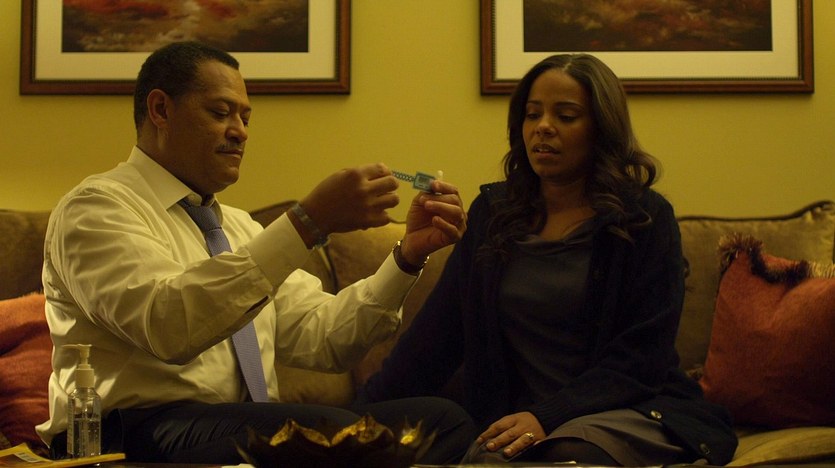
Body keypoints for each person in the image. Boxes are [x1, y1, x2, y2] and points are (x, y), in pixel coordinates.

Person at [36, 41, 475, 464]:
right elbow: (168, 327)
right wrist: (307, 222)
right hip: (130, 429)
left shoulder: (237, 227)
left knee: (442, 421)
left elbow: (325, 338)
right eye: (220, 113)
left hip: (238, 423)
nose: (240, 132)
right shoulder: (96, 208)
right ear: (160, 110)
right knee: (328, 436)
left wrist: (407, 257)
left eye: (245, 118)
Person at [359, 53, 738, 466]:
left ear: (602, 128)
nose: (543, 126)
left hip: (628, 411)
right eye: (532, 114)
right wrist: (353, 420)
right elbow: (436, 337)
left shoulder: (644, 219)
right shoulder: (493, 215)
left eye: (566, 115)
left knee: (564, 453)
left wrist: (548, 416)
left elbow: (642, 358)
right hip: (520, 419)